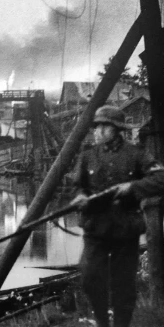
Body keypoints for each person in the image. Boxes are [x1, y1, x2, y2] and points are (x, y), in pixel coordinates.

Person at [72, 105, 164, 327]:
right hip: (95, 228)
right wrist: (80, 197)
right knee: (90, 278)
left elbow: (160, 178)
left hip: (126, 229)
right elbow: (78, 187)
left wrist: (132, 187)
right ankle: (103, 322)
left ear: (115, 129)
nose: (97, 131)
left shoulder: (136, 154)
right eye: (96, 126)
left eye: (103, 126)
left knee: (123, 284)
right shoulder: (88, 156)